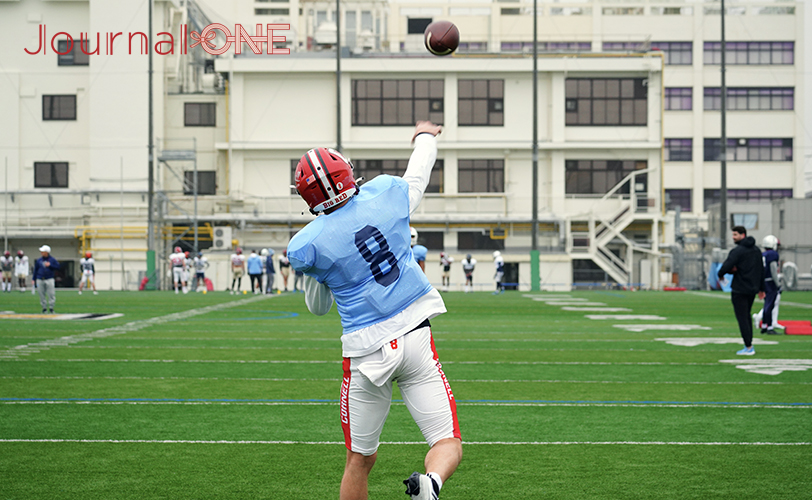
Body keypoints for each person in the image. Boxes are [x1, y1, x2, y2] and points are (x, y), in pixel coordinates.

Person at [286, 122, 461, 500]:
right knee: (447, 441)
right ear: (347, 172)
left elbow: (317, 307)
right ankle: (431, 484)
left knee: (359, 460)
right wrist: (425, 136)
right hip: (416, 335)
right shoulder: (385, 192)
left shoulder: (308, 244)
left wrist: (323, 271)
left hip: (366, 352)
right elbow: (418, 172)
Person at [717, 226, 765, 355]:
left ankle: (748, 347)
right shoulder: (756, 250)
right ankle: (749, 344)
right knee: (747, 316)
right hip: (752, 289)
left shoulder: (738, 251)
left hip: (739, 289)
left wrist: (721, 274)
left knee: (742, 318)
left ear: (743, 235)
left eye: (735, 235)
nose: (733, 237)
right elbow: (761, 270)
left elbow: (725, 266)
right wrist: (761, 288)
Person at [754, 235, 781, 335]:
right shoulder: (772, 254)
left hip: (763, 281)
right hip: (770, 282)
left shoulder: (763, 254)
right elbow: (773, 270)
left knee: (767, 304)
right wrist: (778, 284)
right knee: (770, 305)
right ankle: (769, 327)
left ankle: (765, 325)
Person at [33, 245, 60, 314]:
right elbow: (35, 270)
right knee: (41, 294)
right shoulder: (39, 260)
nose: (41, 253)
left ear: (46, 252)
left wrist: (50, 265)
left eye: (43, 251)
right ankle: (44, 308)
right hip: (40, 279)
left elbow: (58, 267)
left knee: (51, 294)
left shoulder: (52, 260)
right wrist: (34, 279)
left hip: (49, 278)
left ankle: (51, 308)